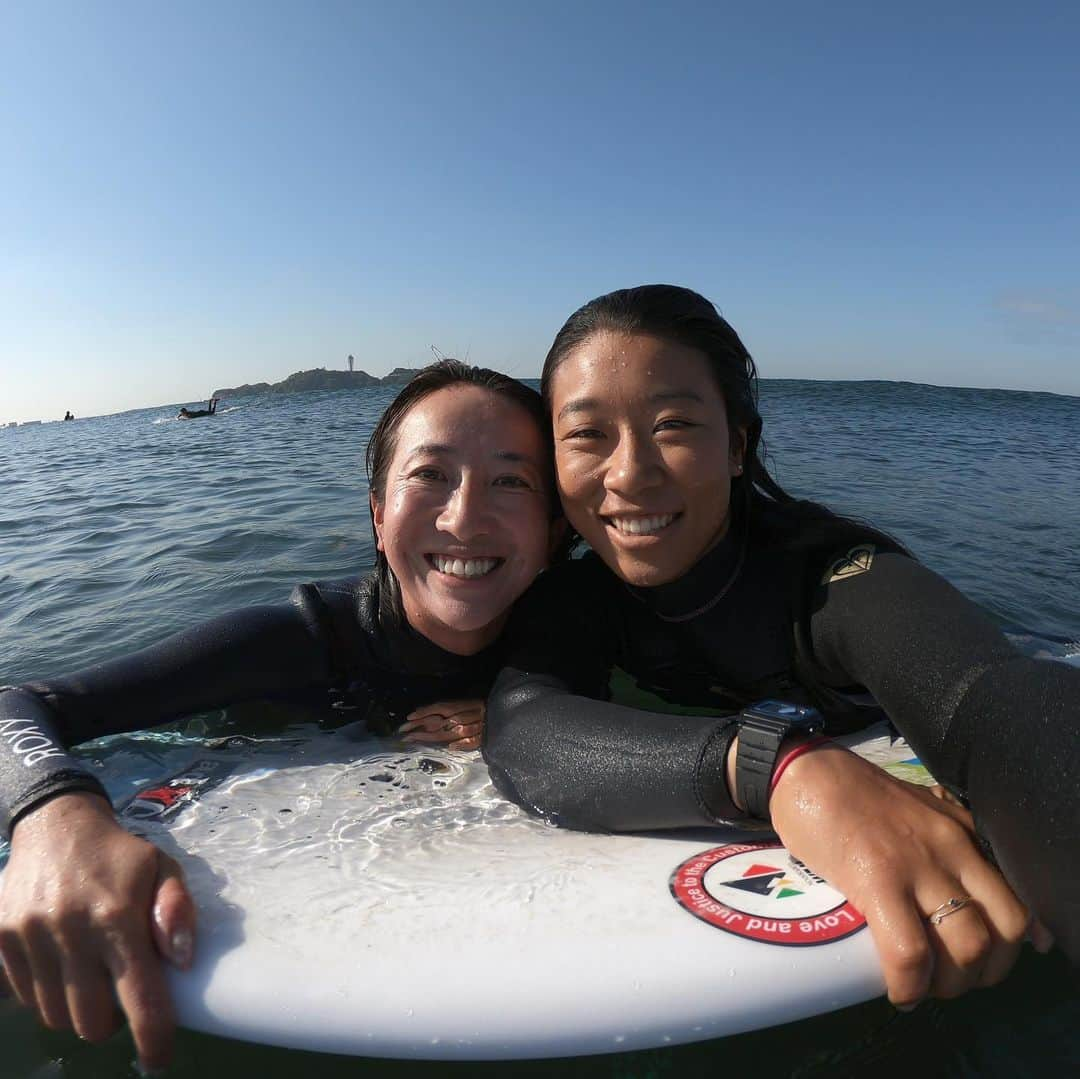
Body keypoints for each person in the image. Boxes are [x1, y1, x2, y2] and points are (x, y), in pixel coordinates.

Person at [485, 284, 1078, 1005]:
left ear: (736, 444)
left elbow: (990, 704)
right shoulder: (576, 597)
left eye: (672, 424)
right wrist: (777, 767)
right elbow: (522, 725)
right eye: (587, 435)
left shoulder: (829, 581)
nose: (629, 471)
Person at [0, 361, 565, 1071]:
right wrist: (56, 822)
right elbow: (18, 705)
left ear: (553, 528)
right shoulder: (297, 640)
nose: (465, 517)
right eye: (430, 475)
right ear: (378, 514)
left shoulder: (577, 637)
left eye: (511, 480)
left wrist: (519, 716)